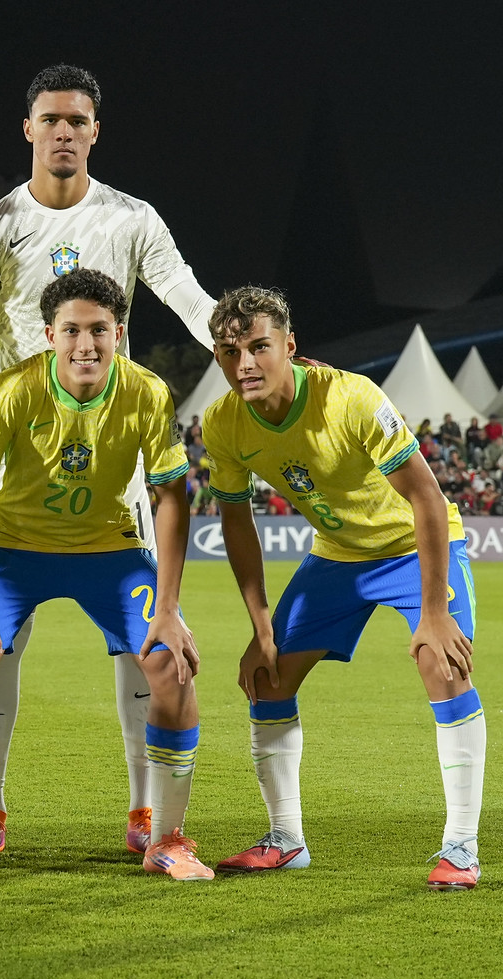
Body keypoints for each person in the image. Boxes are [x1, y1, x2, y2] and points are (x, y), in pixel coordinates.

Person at [0, 63, 218, 858]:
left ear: (96, 131)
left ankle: (146, 811)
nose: (64, 132)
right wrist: (10, 401)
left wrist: (235, 349)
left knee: (140, 649)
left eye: (78, 121)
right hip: (18, 449)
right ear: (28, 129)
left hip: (113, 459)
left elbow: (187, 294)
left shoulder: (131, 218)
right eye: (50, 120)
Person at [201, 286, 484, 889]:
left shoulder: (351, 397)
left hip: (415, 546)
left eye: (259, 347)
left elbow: (428, 498)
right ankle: (286, 840)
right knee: (267, 676)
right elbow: (235, 520)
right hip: (339, 556)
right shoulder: (223, 421)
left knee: (443, 662)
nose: (245, 364)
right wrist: (260, 626)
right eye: (229, 352)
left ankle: (460, 848)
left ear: (290, 347)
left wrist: (434, 611)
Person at [0, 267, 208, 882]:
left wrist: (167, 608)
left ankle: (166, 837)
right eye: (72, 331)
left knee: (171, 665)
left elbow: (172, 498)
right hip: (13, 546)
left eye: (98, 331)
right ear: (48, 335)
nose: (85, 345)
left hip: (108, 549)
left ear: (120, 332)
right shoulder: (13, 391)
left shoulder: (147, 393)